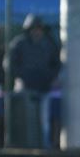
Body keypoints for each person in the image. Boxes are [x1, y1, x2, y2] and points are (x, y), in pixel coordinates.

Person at [4, 14, 61, 148]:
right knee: (25, 119)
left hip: (44, 88)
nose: (37, 31)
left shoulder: (49, 44)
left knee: (43, 119)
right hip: (25, 89)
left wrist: (50, 77)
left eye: (39, 28)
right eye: (34, 28)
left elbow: (57, 64)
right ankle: (24, 145)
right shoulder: (19, 43)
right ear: (28, 29)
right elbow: (9, 64)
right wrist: (22, 76)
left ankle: (43, 145)